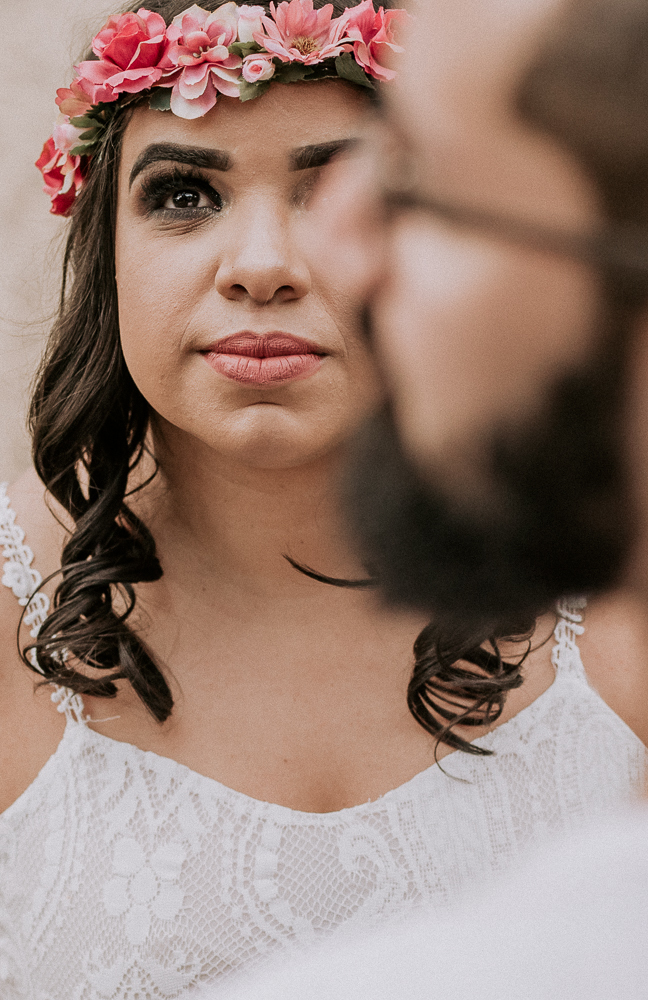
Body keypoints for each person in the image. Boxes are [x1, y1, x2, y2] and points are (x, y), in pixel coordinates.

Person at [0, 3, 646, 1000]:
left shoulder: (616, 599)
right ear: (104, 252)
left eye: (346, 187)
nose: (262, 266)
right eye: (182, 193)